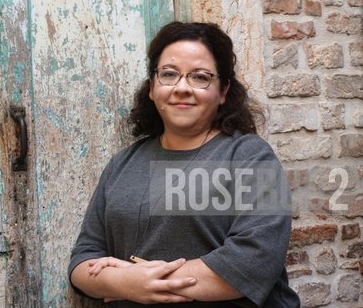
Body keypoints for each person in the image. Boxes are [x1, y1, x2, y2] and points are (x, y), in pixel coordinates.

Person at [68, 21, 300, 307]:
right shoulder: (122, 163)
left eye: (200, 77)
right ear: (152, 87)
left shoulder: (251, 157)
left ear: (223, 91)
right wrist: (125, 283)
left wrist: (141, 282)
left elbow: (253, 262)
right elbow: (83, 259)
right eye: (168, 74)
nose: (181, 88)